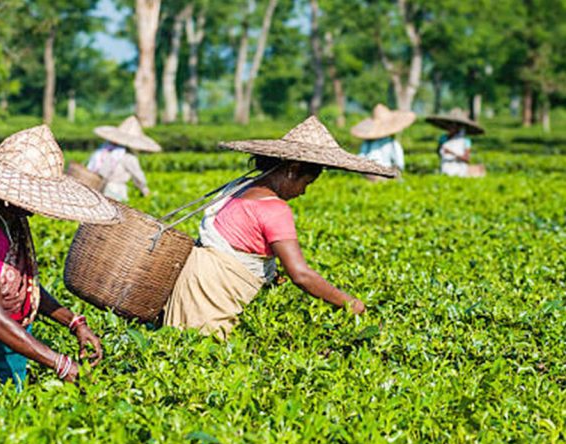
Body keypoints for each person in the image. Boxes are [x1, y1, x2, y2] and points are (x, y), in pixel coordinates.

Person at [0, 125, 120, 386]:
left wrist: (75, 323)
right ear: (6, 194)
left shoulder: (10, 219)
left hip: (6, 349)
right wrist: (60, 363)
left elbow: (26, 285)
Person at [163, 116, 397, 339]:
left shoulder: (241, 187)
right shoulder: (275, 209)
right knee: (205, 352)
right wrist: (351, 304)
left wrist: (269, 272)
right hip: (212, 297)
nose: (303, 191)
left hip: (192, 285)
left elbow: (240, 244)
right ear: (292, 170)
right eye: (306, 183)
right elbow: (301, 275)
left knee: (183, 346)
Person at [87, 116, 162, 202]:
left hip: (100, 187)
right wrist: (145, 190)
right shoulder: (128, 157)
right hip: (117, 190)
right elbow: (138, 176)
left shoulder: (105, 151)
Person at [351, 103, 415, 181]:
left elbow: (399, 164)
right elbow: (360, 159)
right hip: (369, 177)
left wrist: (390, 174)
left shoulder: (392, 143)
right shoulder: (368, 143)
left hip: (387, 176)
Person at [426, 108, 486, 177]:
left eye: (454, 126)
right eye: (449, 125)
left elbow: (467, 159)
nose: (451, 127)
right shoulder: (443, 138)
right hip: (445, 168)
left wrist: (452, 153)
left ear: (459, 128)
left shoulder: (465, 141)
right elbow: (439, 152)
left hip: (460, 170)